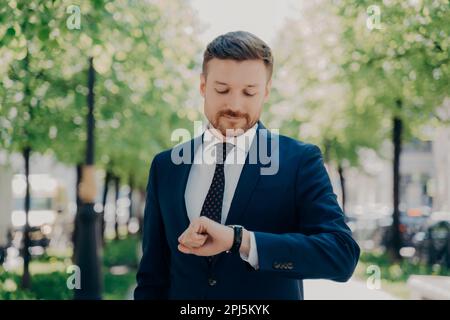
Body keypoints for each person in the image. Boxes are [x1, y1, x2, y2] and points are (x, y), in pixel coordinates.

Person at [134, 31, 360, 300]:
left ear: (265, 91)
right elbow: (152, 277)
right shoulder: (166, 166)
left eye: (249, 92)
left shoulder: (300, 161)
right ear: (203, 86)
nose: (234, 104)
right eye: (222, 89)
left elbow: (341, 255)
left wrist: (240, 241)